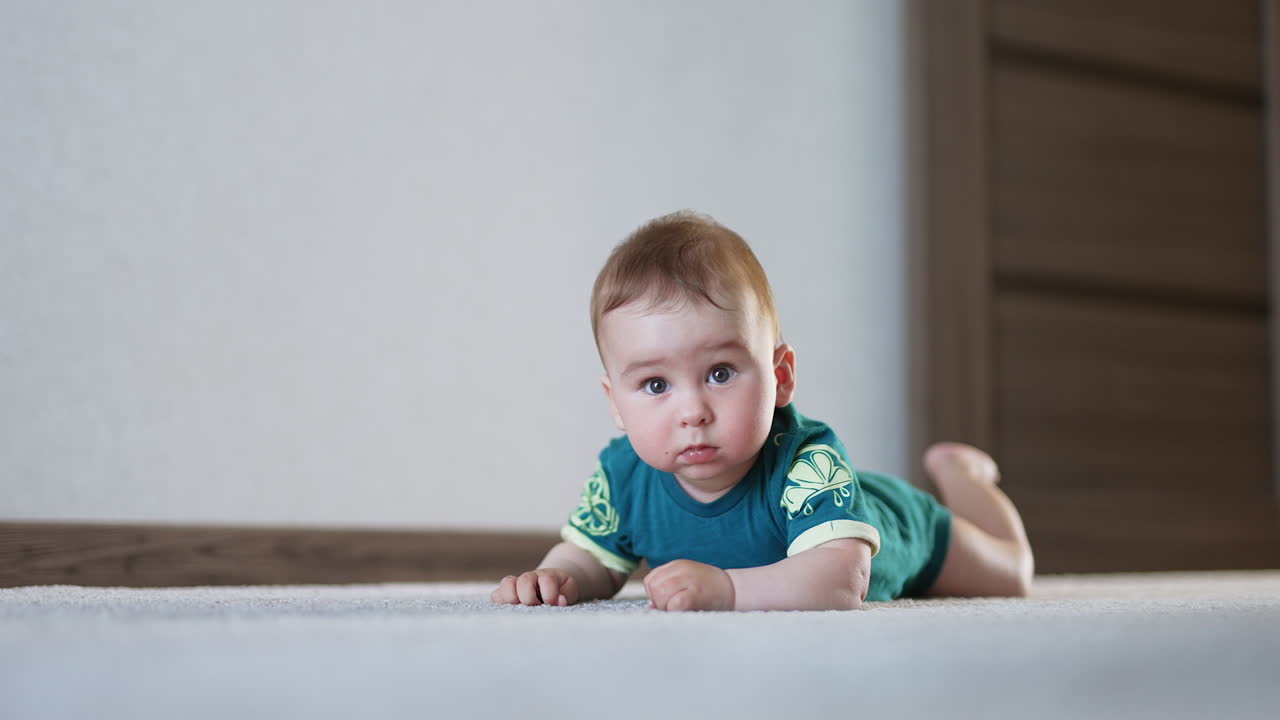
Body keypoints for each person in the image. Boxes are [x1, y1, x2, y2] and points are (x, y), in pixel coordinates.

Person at [490, 211, 1034, 611]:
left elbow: (841, 580)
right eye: (655, 384)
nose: (693, 411)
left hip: (903, 529)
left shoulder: (808, 462)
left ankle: (961, 476)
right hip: (829, 506)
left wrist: (729, 591)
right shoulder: (623, 476)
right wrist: (555, 577)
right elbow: (593, 560)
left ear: (780, 377)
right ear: (615, 404)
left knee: (1010, 574)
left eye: (720, 373)